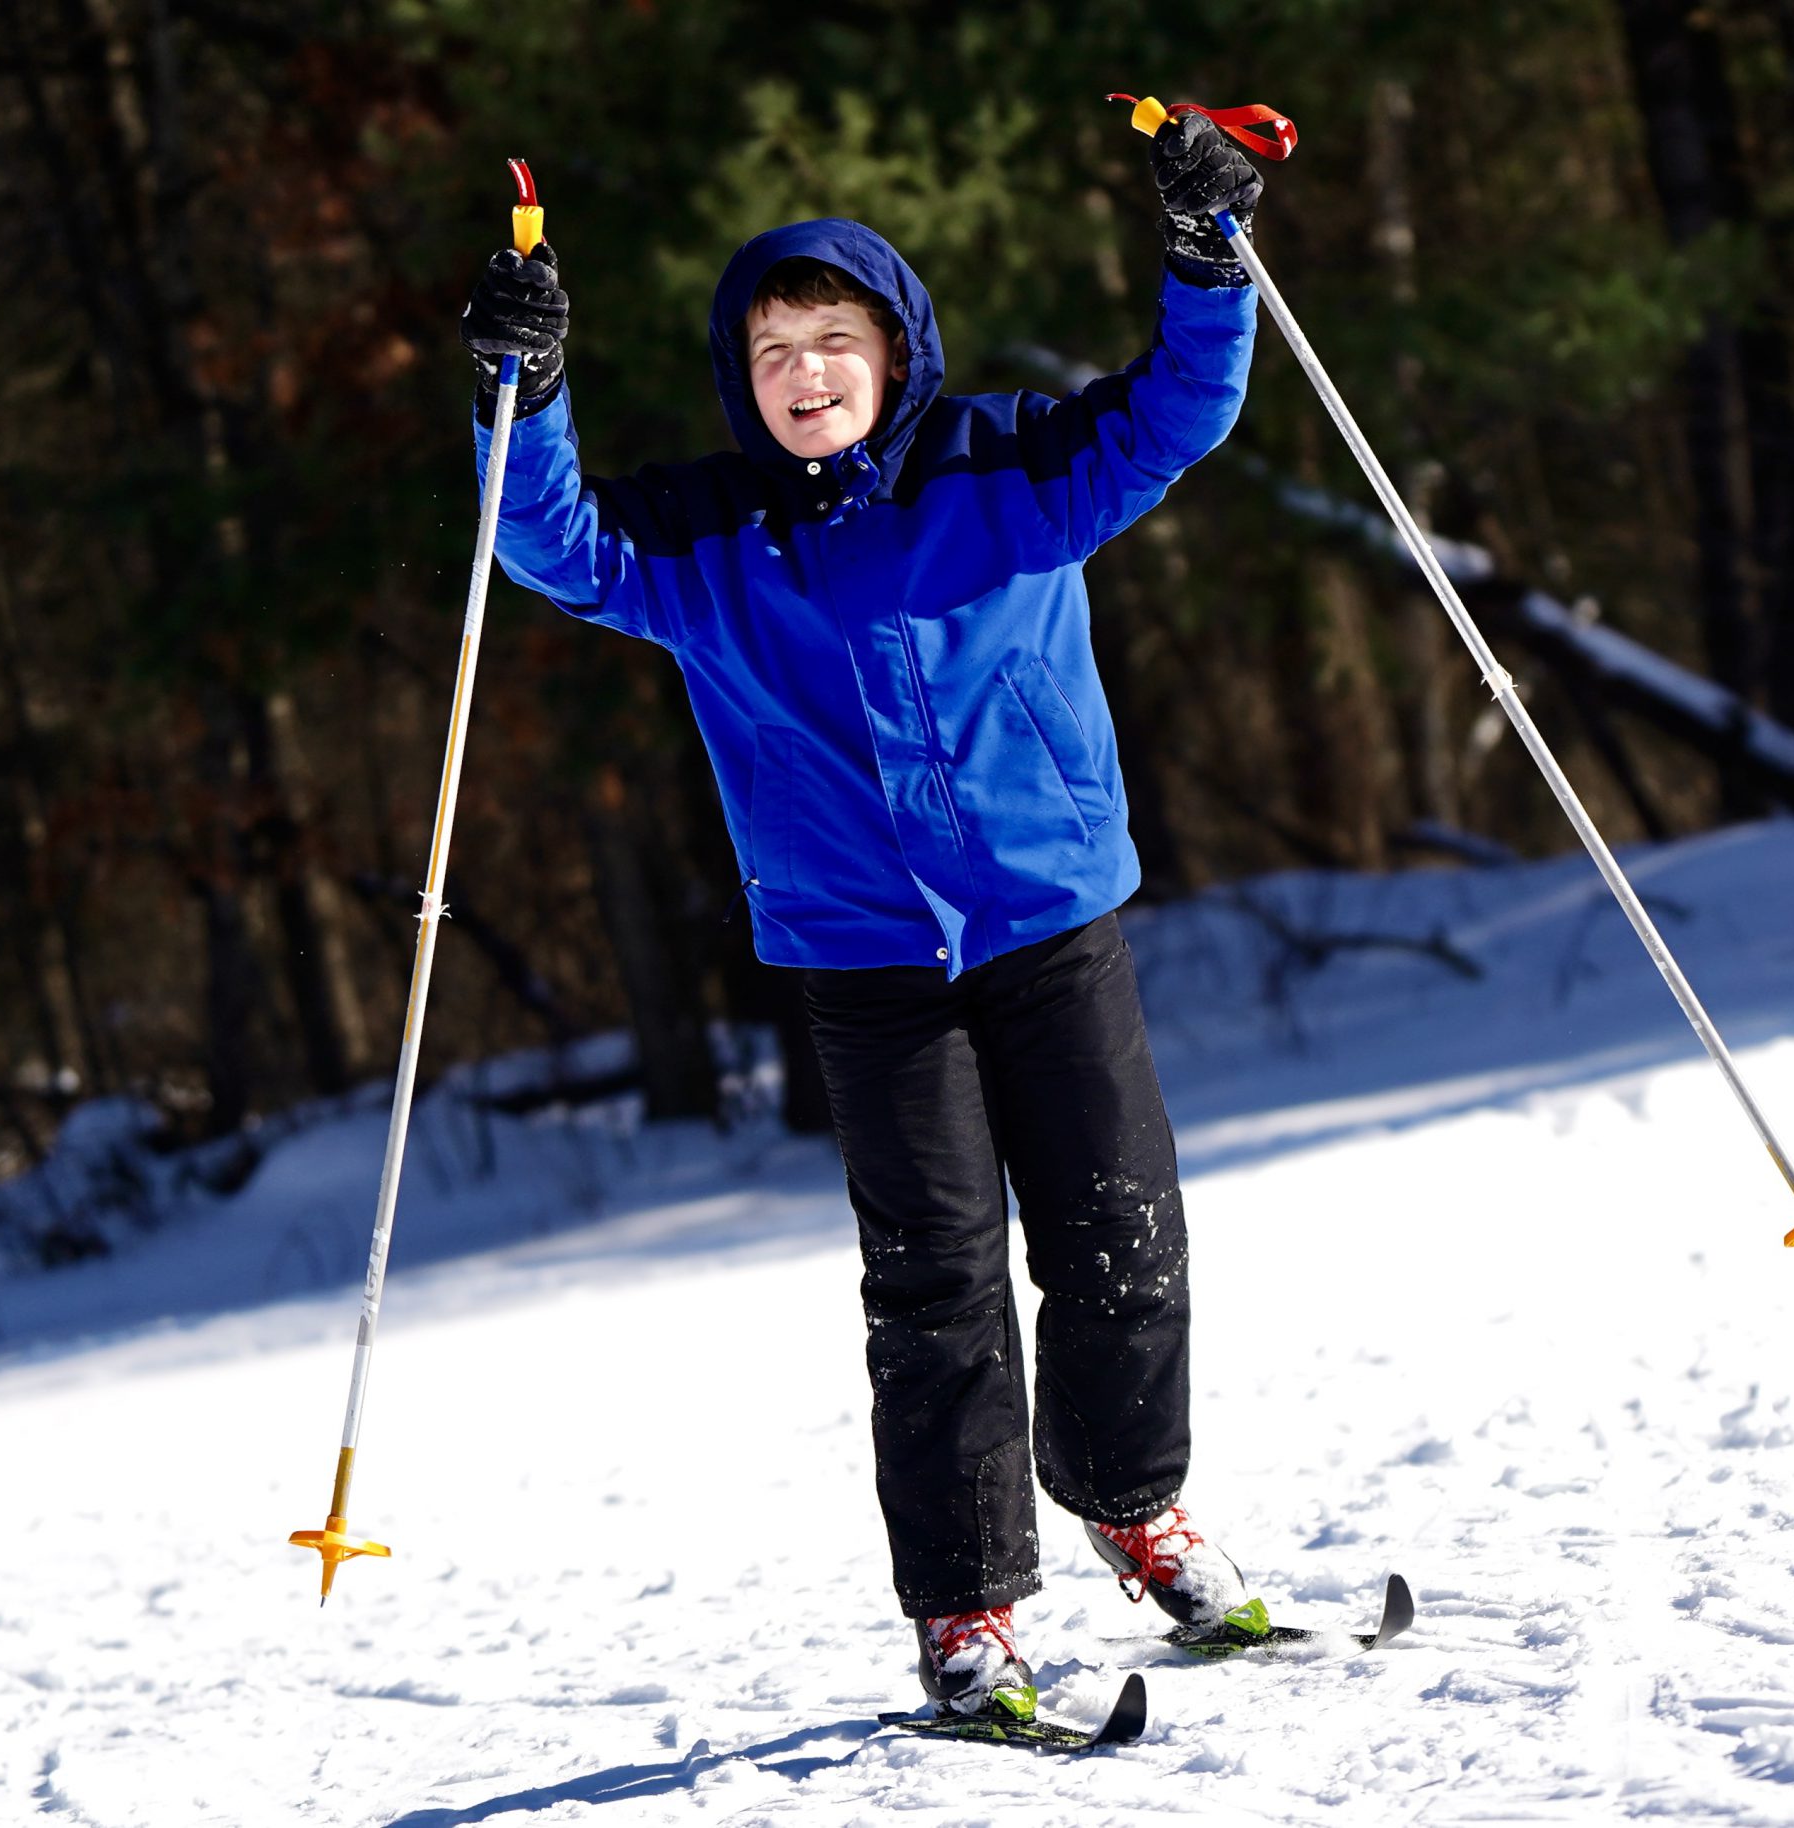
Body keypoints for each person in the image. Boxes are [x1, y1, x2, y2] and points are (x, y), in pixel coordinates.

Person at [460, 114, 1267, 1720]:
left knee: (1122, 1237)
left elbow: (1182, 409)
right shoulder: (699, 542)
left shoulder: (1008, 472)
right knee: (936, 1280)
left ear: (897, 356)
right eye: (775, 349)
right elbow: (542, 543)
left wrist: (1205, 259)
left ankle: (1131, 1499)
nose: (808, 373)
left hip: (1049, 925)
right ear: (738, 376)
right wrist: (523, 395)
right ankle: (969, 1613)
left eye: (838, 341)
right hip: (866, 968)